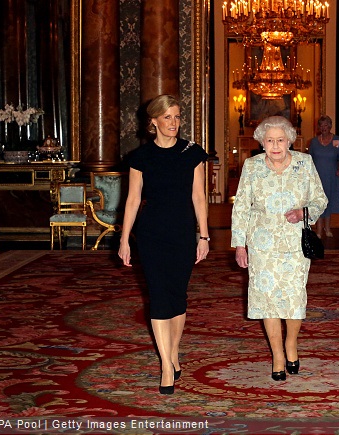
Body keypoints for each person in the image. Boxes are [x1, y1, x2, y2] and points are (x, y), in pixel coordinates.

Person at [118, 94, 209, 395]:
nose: (173, 123)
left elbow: (199, 197)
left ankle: (173, 352)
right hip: (151, 234)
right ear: (153, 121)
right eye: (167, 117)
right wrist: (124, 239)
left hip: (182, 233)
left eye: (177, 116)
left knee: (177, 296)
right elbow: (132, 200)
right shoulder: (140, 157)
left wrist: (205, 236)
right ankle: (166, 366)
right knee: (158, 297)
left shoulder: (192, 153)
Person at [231, 116, 327, 381]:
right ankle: (277, 355)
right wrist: (240, 244)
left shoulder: (304, 163)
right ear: (262, 142)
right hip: (261, 244)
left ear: (289, 141)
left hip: (295, 244)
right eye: (270, 140)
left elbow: (320, 199)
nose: (275, 145)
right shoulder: (252, 167)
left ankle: (291, 344)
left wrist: (303, 212)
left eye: (280, 140)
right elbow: (241, 206)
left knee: (294, 298)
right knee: (268, 302)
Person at [309, 115, 339, 238]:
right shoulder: (313, 142)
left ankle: (327, 228)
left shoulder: (337, 140)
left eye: (326, 125)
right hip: (317, 177)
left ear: (330, 126)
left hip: (331, 176)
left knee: (328, 201)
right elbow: (309, 160)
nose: (323, 128)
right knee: (318, 202)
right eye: (321, 126)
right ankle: (318, 230)